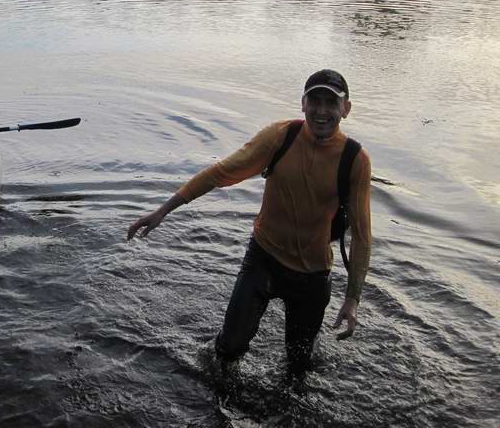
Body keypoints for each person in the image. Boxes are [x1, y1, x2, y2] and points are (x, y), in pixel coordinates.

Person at [127, 69, 372, 374]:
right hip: (264, 259)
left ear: (345, 109)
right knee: (227, 349)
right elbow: (221, 173)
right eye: (315, 101)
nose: (322, 111)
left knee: (299, 365)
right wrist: (164, 210)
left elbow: (362, 235)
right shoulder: (281, 137)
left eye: (331, 103)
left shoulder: (355, 160)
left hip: (312, 275)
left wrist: (352, 299)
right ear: (303, 103)